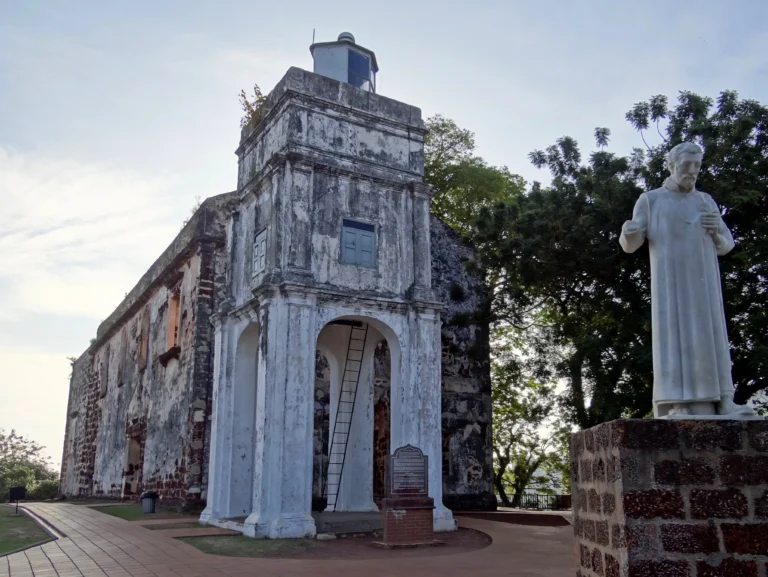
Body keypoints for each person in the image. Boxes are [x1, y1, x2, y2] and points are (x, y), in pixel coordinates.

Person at [620, 142, 755, 418]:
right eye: (686, 165)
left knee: (712, 336)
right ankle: (676, 403)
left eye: (697, 165)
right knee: (674, 337)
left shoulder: (705, 200)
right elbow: (631, 243)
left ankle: (724, 401)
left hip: (704, 282)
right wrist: (629, 231)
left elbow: (726, 244)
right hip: (671, 284)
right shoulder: (651, 199)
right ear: (672, 165)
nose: (692, 171)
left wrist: (716, 229)